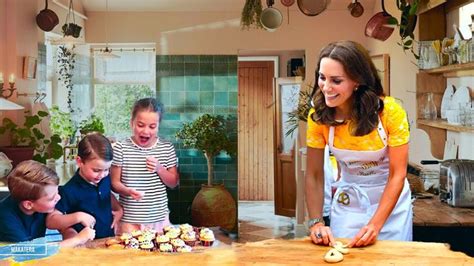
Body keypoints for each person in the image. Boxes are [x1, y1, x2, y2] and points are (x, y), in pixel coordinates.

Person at [305, 40, 411, 248]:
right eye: (322, 77)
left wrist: (375, 225)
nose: (326, 87)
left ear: (357, 81)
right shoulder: (317, 117)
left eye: (336, 80)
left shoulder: (390, 112)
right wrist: (315, 222)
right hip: (349, 202)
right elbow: (314, 175)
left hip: (390, 206)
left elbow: (397, 174)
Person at [111, 97, 179, 234]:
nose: (146, 131)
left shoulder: (166, 148)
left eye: (152, 127)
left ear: (158, 126)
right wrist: (128, 191)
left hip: (159, 220)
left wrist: (159, 168)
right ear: (131, 123)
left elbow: (174, 183)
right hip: (129, 221)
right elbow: (114, 183)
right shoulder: (120, 148)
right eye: (140, 125)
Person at [0, 160, 95, 247]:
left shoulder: (43, 204)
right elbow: (29, 252)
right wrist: (77, 239)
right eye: (52, 198)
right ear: (28, 205)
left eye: (57, 192)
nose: (58, 198)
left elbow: (63, 227)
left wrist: (71, 233)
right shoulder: (5, 217)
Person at [46, 132, 123, 239]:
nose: (102, 174)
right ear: (79, 161)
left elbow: (107, 195)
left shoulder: (104, 178)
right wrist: (77, 217)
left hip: (108, 240)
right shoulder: (70, 190)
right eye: (96, 170)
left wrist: (119, 209)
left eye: (106, 169)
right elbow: (51, 221)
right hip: (84, 246)